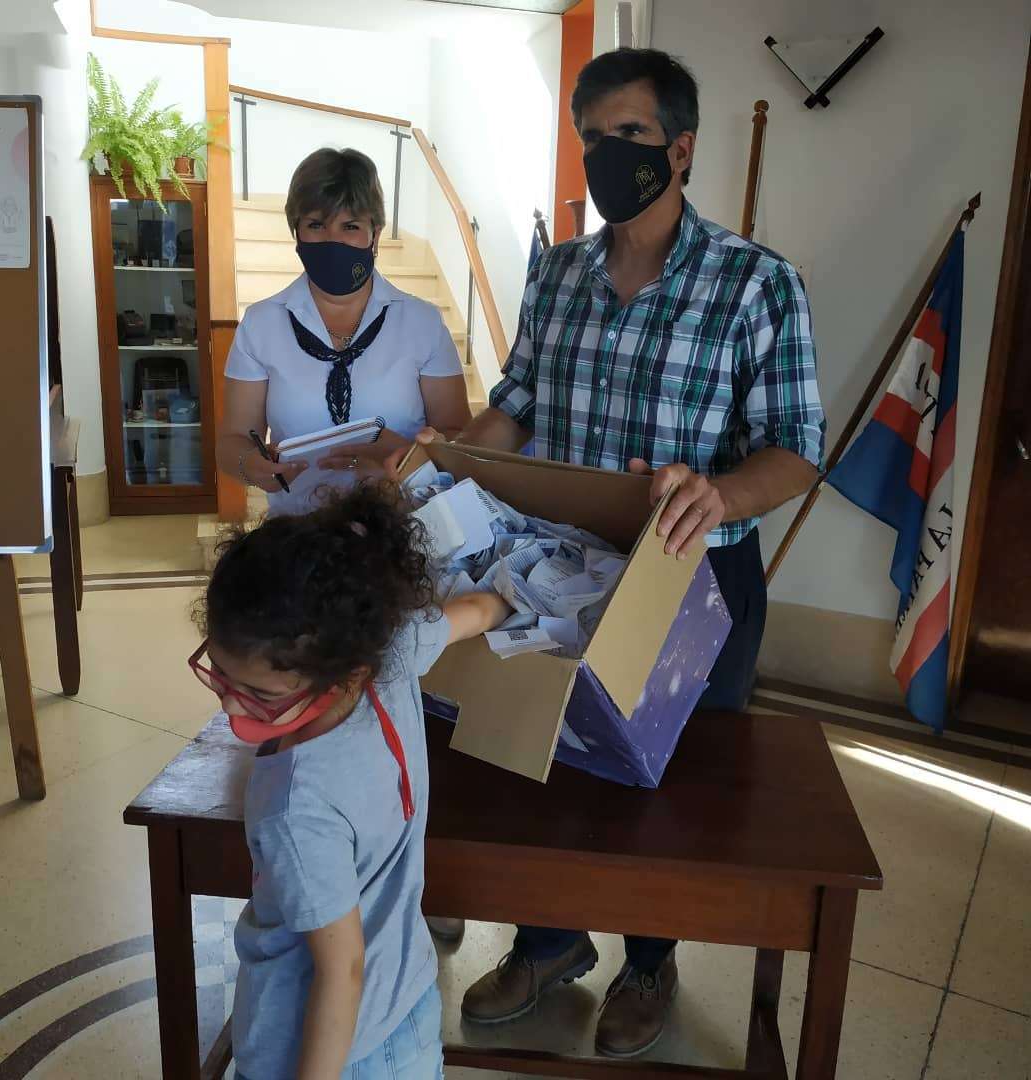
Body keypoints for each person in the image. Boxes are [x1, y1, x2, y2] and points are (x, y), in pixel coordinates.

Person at [421, 48, 826, 1057]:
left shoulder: (756, 283)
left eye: (630, 136)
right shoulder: (558, 272)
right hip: (557, 564)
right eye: (592, 136)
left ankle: (650, 962)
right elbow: (516, 404)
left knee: (663, 780)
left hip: (692, 576)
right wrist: (447, 461)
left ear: (681, 149)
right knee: (541, 754)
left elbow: (796, 448)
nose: (607, 155)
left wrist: (721, 492)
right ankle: (548, 941)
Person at [189, 482, 509, 1080]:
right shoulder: (390, 652)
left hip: (320, 1050)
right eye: (220, 675)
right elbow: (476, 612)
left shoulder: (295, 806)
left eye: (258, 694)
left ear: (343, 676)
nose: (230, 708)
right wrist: (510, 601)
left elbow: (341, 970)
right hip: (409, 1006)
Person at [219, 147, 471, 515]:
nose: (332, 240)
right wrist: (250, 466)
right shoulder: (260, 325)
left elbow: (458, 437)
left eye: (350, 226)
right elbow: (232, 440)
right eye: (316, 225)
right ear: (296, 232)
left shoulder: (423, 323)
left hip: (404, 526)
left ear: (375, 234)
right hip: (299, 530)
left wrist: (409, 457)